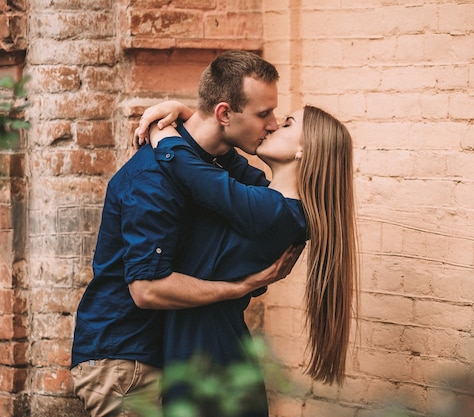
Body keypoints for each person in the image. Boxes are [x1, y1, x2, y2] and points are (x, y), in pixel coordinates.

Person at [70, 50, 304, 417]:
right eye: (264, 114)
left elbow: (236, 186)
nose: (272, 124)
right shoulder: (155, 179)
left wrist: (182, 112)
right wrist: (239, 287)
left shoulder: (212, 167)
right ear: (225, 113)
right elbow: (147, 289)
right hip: (127, 362)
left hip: (168, 353)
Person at [141, 103, 358, 416]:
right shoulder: (274, 203)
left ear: (303, 150)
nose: (271, 127)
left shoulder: (274, 212)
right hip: (210, 344)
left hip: (208, 353)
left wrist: (161, 130)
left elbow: (195, 175)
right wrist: (189, 113)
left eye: (286, 124)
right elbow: (230, 164)